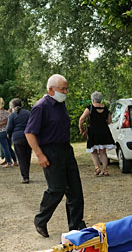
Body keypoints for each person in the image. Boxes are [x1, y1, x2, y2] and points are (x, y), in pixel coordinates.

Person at [25, 74, 87, 238]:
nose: (66, 92)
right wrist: (39, 155)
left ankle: (76, 225)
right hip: (50, 151)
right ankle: (40, 220)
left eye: (66, 88)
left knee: (75, 190)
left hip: (66, 149)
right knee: (56, 189)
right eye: (63, 89)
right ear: (51, 89)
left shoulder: (61, 104)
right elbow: (30, 133)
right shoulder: (41, 107)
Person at [78, 91, 115, 176]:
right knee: (103, 152)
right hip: (104, 131)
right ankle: (105, 170)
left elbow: (82, 119)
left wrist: (81, 128)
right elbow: (109, 121)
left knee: (93, 151)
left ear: (93, 99)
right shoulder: (105, 108)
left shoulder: (90, 108)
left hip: (93, 132)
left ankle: (97, 168)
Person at [6, 98, 32, 183]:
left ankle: (25, 177)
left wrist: (9, 135)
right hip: (28, 137)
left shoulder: (12, 115)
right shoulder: (28, 113)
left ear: (12, 106)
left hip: (17, 138)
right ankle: (27, 174)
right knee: (27, 157)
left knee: (21, 158)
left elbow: (9, 128)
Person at [0, 97, 17, 167]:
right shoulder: (7, 112)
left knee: (5, 148)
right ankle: (15, 161)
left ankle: (9, 163)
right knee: (9, 147)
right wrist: (4, 122)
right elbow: (9, 121)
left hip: (1, 132)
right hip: (8, 131)